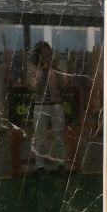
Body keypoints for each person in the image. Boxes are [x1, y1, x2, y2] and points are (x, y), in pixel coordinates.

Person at [29, 41, 67, 173]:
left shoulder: (56, 68)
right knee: (40, 138)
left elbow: (64, 85)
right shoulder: (33, 69)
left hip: (57, 105)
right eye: (44, 53)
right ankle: (40, 166)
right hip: (40, 106)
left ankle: (61, 164)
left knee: (59, 137)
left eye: (49, 53)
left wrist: (56, 70)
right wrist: (44, 74)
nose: (47, 56)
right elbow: (36, 89)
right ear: (38, 55)